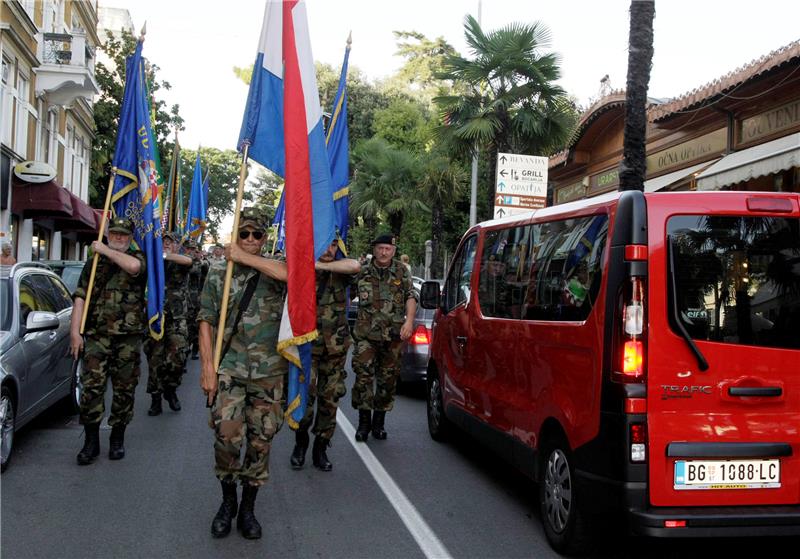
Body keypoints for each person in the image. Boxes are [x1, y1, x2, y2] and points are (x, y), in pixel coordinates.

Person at [198, 207, 288, 540]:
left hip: (269, 373)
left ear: (265, 238)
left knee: (260, 441)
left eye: (256, 234)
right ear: (236, 235)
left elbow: (294, 276)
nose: (250, 239)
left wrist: (246, 259)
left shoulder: (275, 267)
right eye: (244, 233)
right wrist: (207, 367)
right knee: (226, 437)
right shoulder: (219, 270)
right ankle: (227, 503)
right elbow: (205, 320)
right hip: (230, 371)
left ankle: (248, 508)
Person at [69, 217, 146, 464]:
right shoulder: (93, 263)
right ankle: (91, 442)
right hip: (96, 335)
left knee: (124, 389)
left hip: (127, 338)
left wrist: (104, 249)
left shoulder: (139, 258)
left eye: (123, 235)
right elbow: (80, 296)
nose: (118, 238)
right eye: (114, 234)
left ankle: (117, 438)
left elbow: (134, 268)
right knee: (92, 388)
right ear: (108, 234)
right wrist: (75, 332)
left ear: (130, 238)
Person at [290, 238, 360, 471]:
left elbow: (355, 266)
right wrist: (310, 265)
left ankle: (321, 448)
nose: (329, 250)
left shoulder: (341, 270)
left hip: (335, 349)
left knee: (330, 400)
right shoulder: (302, 267)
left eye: (333, 245)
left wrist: (321, 266)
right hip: (308, 347)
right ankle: (301, 444)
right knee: (305, 399)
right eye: (325, 244)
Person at [351, 234, 416, 442]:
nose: (384, 252)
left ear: (393, 251)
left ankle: (378, 424)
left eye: (388, 249)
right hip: (366, 336)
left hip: (393, 335)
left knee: (387, 380)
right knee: (363, 377)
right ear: (374, 249)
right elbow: (343, 294)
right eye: (380, 248)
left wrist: (409, 321)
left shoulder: (401, 271)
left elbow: (411, 296)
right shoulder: (361, 271)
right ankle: (363, 423)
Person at [144, 232, 192, 416]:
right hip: (155, 317)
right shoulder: (151, 262)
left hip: (176, 318)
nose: (166, 244)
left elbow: (188, 262)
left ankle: (171, 390)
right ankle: (156, 399)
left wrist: (162, 255)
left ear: (176, 245)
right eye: (163, 242)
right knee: (155, 361)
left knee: (177, 359)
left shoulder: (179, 260)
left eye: (169, 242)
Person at [186, 239, 208, 360]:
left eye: (193, 249)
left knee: (195, 326)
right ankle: (186, 350)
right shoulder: (181, 260)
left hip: (196, 300)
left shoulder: (199, 263)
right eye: (188, 249)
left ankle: (195, 349)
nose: (190, 251)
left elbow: (195, 269)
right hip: (183, 301)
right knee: (187, 327)